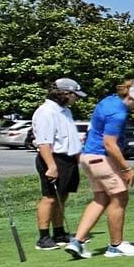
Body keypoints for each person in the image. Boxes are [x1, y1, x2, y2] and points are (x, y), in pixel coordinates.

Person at [62, 79, 134, 259]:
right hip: (100, 157)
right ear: (130, 98)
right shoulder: (118, 113)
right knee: (120, 196)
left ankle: (77, 242)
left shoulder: (109, 100)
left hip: (87, 157)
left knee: (101, 198)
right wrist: (126, 169)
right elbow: (110, 144)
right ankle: (116, 245)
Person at [30, 77, 84, 250]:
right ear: (64, 93)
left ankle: (59, 233)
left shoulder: (65, 110)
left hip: (67, 159)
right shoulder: (46, 111)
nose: (76, 98)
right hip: (53, 159)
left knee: (63, 197)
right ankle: (43, 237)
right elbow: (44, 142)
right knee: (50, 198)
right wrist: (51, 166)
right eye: (74, 95)